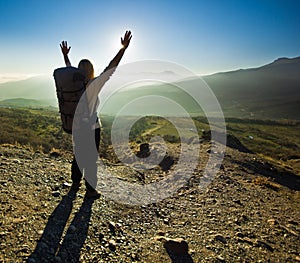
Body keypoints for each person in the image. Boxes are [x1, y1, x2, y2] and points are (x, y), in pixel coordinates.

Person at [60, 30, 132, 198]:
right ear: (91, 70)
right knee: (91, 159)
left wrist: (65, 56)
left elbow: (68, 70)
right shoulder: (94, 84)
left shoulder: (73, 87)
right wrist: (123, 49)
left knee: (78, 155)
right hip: (92, 127)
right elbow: (111, 68)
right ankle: (90, 190)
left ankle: (75, 183)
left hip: (77, 126)